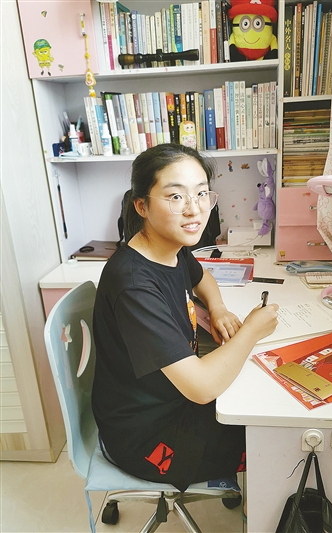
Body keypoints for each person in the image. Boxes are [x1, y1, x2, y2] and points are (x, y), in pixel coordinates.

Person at [92, 144, 279, 493]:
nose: (194, 209)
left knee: (266, 402)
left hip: (173, 399)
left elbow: (202, 278)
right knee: (273, 436)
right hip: (147, 435)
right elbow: (202, 388)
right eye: (176, 196)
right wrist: (251, 331)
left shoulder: (171, 250)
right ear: (141, 205)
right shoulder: (133, 284)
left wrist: (218, 308)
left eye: (202, 193)